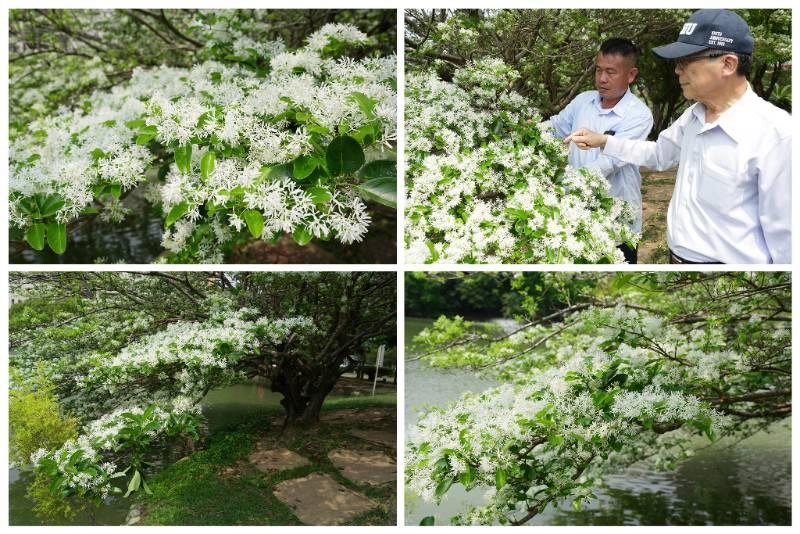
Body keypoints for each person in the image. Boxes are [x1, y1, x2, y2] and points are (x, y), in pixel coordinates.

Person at [565, 9, 791, 264]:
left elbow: (787, 240)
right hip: (678, 260)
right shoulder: (694, 116)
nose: (677, 71)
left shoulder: (776, 134)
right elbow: (659, 154)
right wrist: (604, 141)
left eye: (686, 61)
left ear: (728, 64)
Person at [550, 38, 653, 264]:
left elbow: (610, 163)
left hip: (617, 217)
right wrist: (523, 131)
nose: (602, 79)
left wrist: (564, 187)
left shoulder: (638, 115)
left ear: (631, 75)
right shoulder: (583, 101)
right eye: (598, 71)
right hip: (575, 213)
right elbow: (555, 127)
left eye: (611, 72)